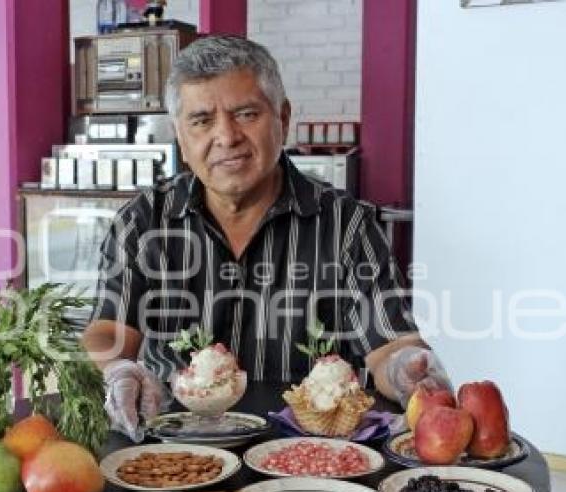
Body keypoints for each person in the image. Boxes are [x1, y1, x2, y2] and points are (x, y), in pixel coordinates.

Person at [83, 35, 450, 442]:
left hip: (311, 455)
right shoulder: (143, 221)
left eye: (245, 113)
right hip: (177, 449)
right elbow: (106, 331)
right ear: (181, 138)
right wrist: (118, 370)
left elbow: (390, 345)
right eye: (202, 120)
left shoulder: (347, 224)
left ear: (283, 117)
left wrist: (406, 368)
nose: (226, 136)